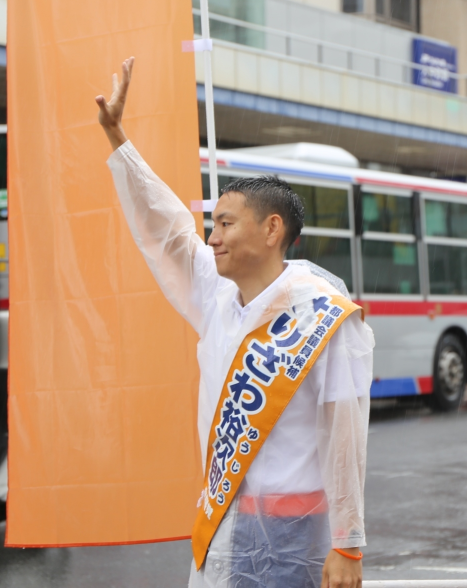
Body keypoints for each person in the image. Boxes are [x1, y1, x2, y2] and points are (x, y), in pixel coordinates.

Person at [95, 57, 373, 588]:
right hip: (225, 519)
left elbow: (345, 434)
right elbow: (167, 228)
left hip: (296, 528)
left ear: (272, 230)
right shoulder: (218, 295)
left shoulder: (322, 314)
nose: (213, 237)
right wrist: (117, 138)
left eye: (225, 223)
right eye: (213, 224)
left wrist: (348, 543)